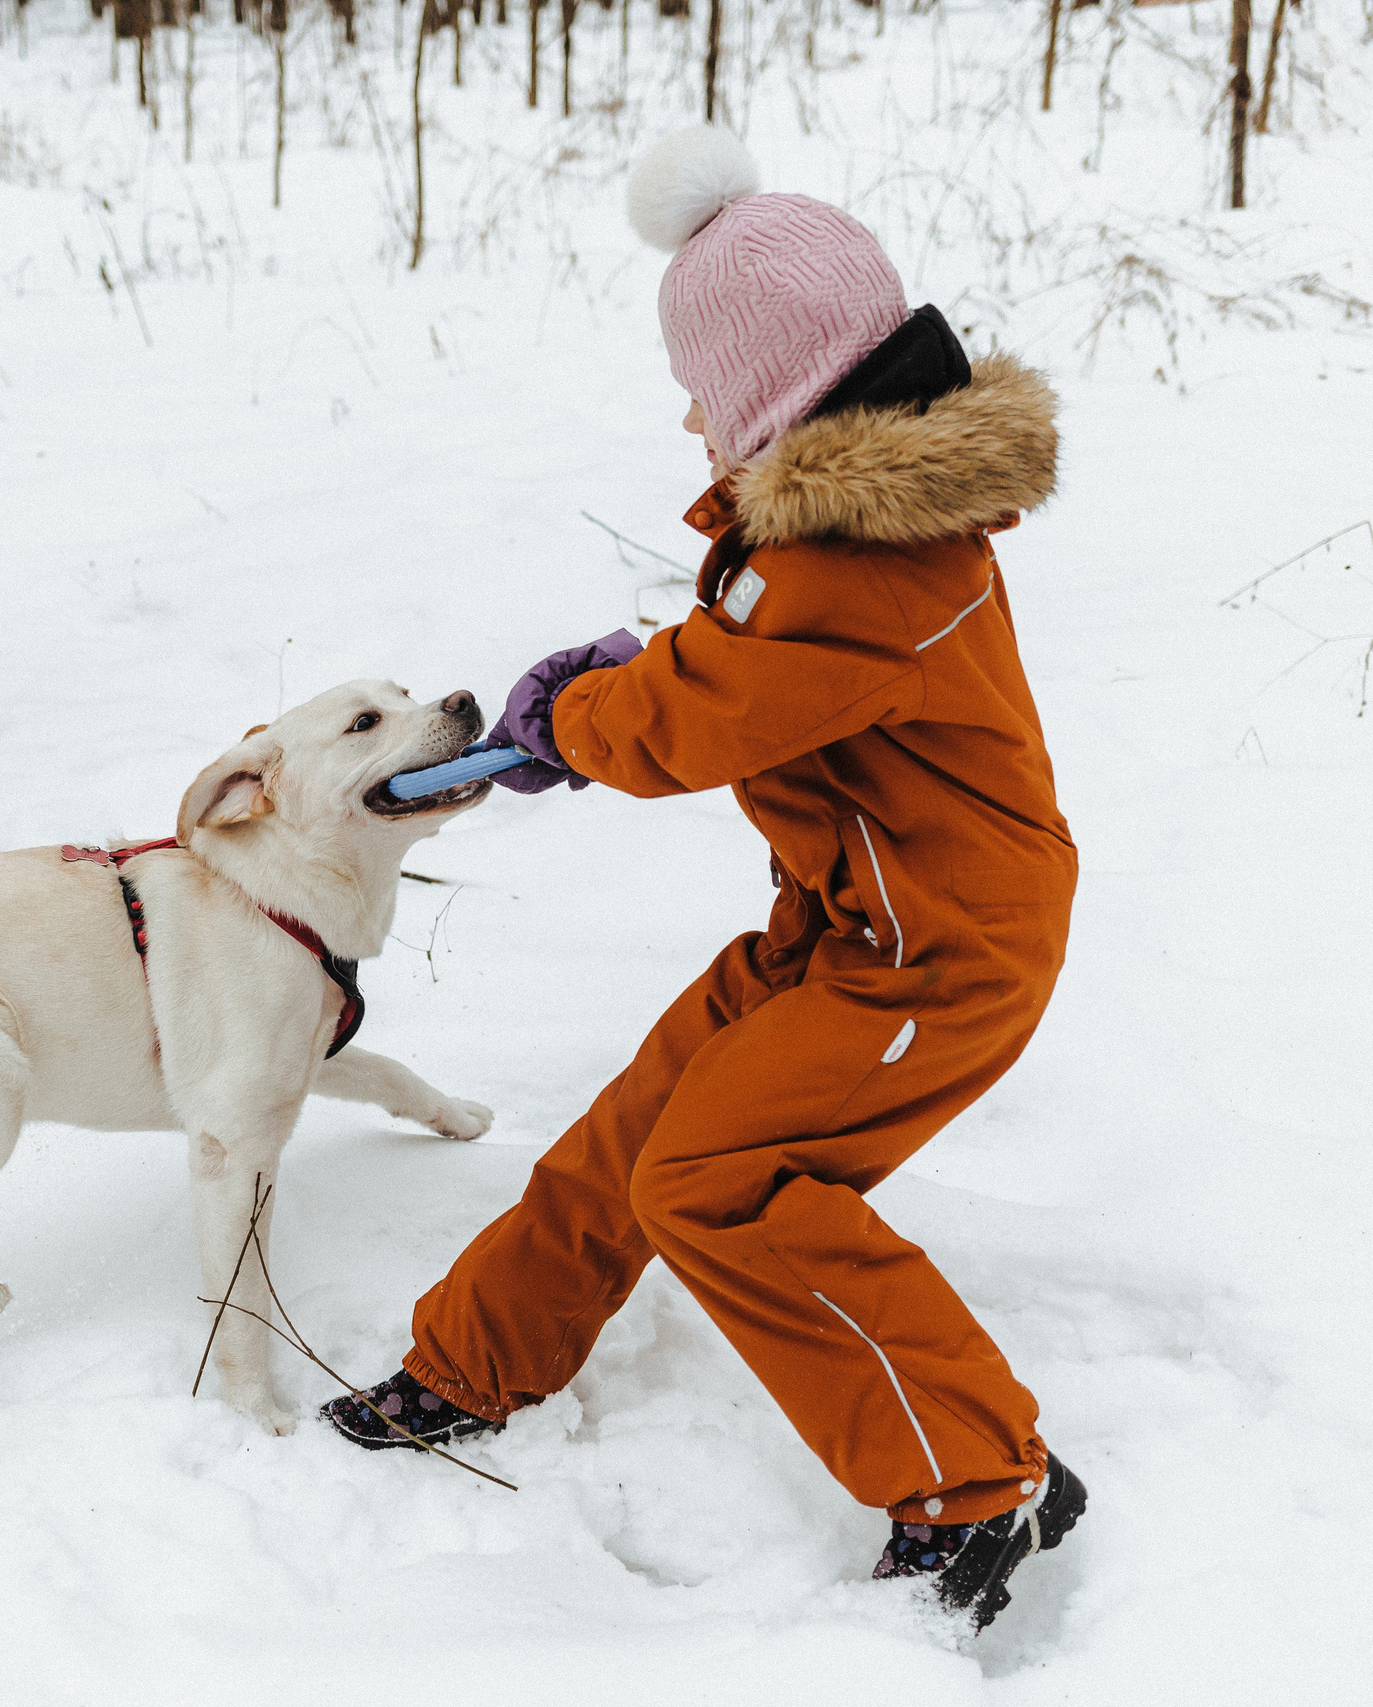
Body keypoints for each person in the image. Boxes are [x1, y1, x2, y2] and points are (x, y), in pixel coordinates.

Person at [321, 129, 1086, 1634]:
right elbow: (740, 665)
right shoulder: (854, 530)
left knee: (720, 1182)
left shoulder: (871, 561)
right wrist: (622, 677)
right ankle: (473, 1361)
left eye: (700, 388)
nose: (685, 415)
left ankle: (976, 1481)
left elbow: (708, 714)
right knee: (647, 1128)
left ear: (774, 394)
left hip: (942, 961)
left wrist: (587, 719)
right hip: (843, 930)